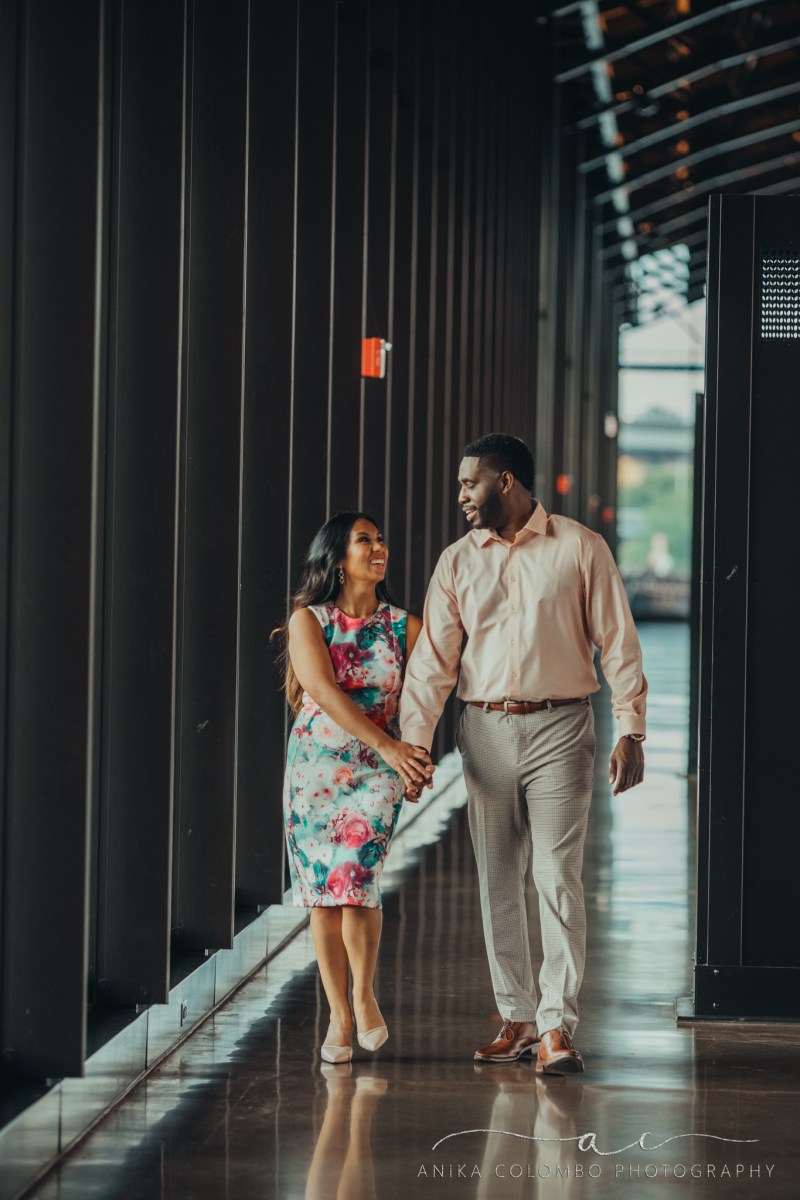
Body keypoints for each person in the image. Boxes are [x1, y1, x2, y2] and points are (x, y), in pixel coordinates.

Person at [399, 433, 646, 1074]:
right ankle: (517, 1017)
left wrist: (632, 729)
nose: (461, 497)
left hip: (562, 728)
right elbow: (432, 665)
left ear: (505, 482)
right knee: (497, 880)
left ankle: (557, 1027)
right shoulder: (457, 562)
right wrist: (414, 748)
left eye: (469, 484)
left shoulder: (580, 548)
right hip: (482, 730)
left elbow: (618, 641)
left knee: (556, 877)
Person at [276, 512, 433, 1065]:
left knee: (357, 877)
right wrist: (392, 747)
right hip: (315, 772)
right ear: (337, 558)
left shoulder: (404, 627)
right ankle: (338, 1018)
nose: (378, 547)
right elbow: (323, 690)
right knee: (324, 892)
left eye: (381, 539)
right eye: (364, 540)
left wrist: (412, 754)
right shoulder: (309, 621)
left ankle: (363, 995)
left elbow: (427, 695)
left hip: (375, 776)